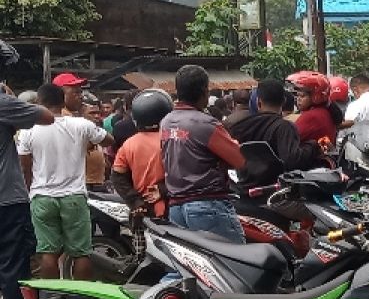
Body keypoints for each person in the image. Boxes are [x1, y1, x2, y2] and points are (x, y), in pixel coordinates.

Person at [17, 83, 111, 280]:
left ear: (39, 103)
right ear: (62, 101)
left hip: (42, 197)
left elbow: (24, 167)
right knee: (81, 253)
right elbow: (109, 140)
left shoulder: (28, 130)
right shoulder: (80, 125)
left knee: (47, 253)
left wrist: (29, 190)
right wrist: (89, 139)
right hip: (74, 197)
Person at [160, 65, 246, 243]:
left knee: (191, 269)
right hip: (207, 205)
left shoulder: (167, 122)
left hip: (176, 207)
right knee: (235, 263)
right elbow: (239, 160)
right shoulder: (206, 124)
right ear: (204, 91)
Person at [0, 83, 54, 299]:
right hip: (6, 200)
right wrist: (9, 98)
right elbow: (47, 116)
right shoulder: (3, 104)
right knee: (13, 270)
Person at [227, 79, 327, 184]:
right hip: (275, 192)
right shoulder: (284, 128)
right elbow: (293, 160)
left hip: (243, 189)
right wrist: (312, 146)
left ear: (258, 102)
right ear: (283, 101)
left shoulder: (240, 127)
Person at [110, 89, 173, 219]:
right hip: (170, 208)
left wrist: (136, 201)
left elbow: (118, 178)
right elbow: (185, 174)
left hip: (142, 211)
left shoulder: (129, 144)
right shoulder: (173, 140)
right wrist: (162, 190)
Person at [287, 71, 340, 150]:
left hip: (312, 161)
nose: (298, 99)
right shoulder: (324, 110)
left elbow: (288, 139)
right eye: (297, 95)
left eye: (302, 95)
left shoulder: (312, 116)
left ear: (316, 96)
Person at [82, 102, 109, 191]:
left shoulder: (99, 133)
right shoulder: (77, 134)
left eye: (98, 113)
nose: (97, 116)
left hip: (100, 182)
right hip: (85, 184)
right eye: (92, 113)